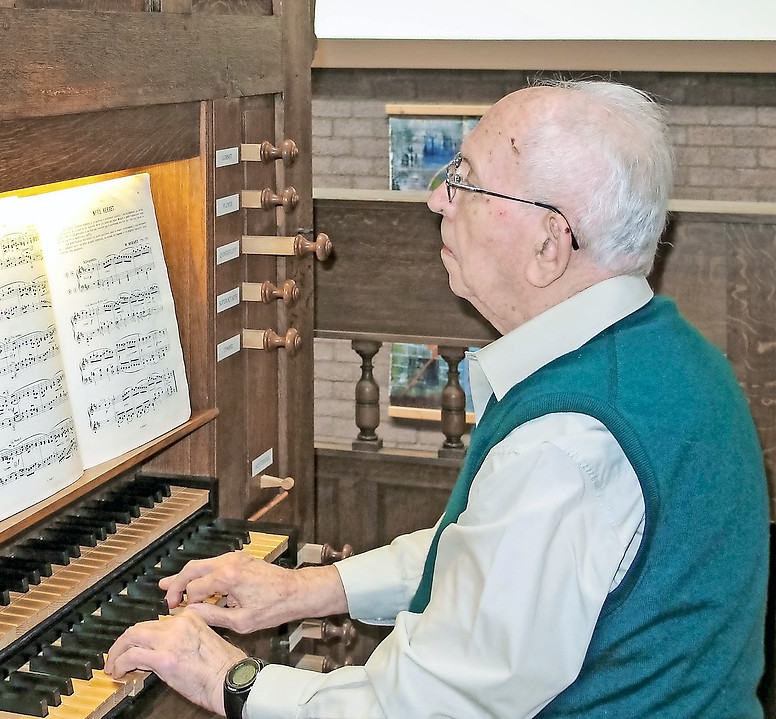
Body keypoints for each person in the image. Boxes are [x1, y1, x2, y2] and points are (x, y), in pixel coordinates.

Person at [104, 79, 769, 718]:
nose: (438, 200)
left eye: (466, 181)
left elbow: (424, 707)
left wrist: (231, 676)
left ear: (549, 243)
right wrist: (305, 588)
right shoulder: (667, 351)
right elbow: (493, 564)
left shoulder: (567, 444)